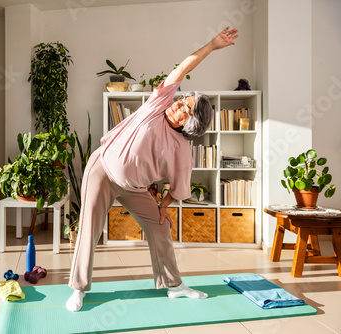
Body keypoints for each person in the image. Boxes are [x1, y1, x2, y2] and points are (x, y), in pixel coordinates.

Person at [66, 26, 239, 312]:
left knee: (161, 228)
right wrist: (212, 45)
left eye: (186, 108)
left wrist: (162, 207)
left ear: (191, 123)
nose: (179, 105)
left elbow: (179, 187)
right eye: (183, 100)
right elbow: (182, 67)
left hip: (134, 188)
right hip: (103, 170)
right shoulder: (158, 104)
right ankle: (78, 289)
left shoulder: (182, 150)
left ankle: (174, 286)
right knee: (90, 229)